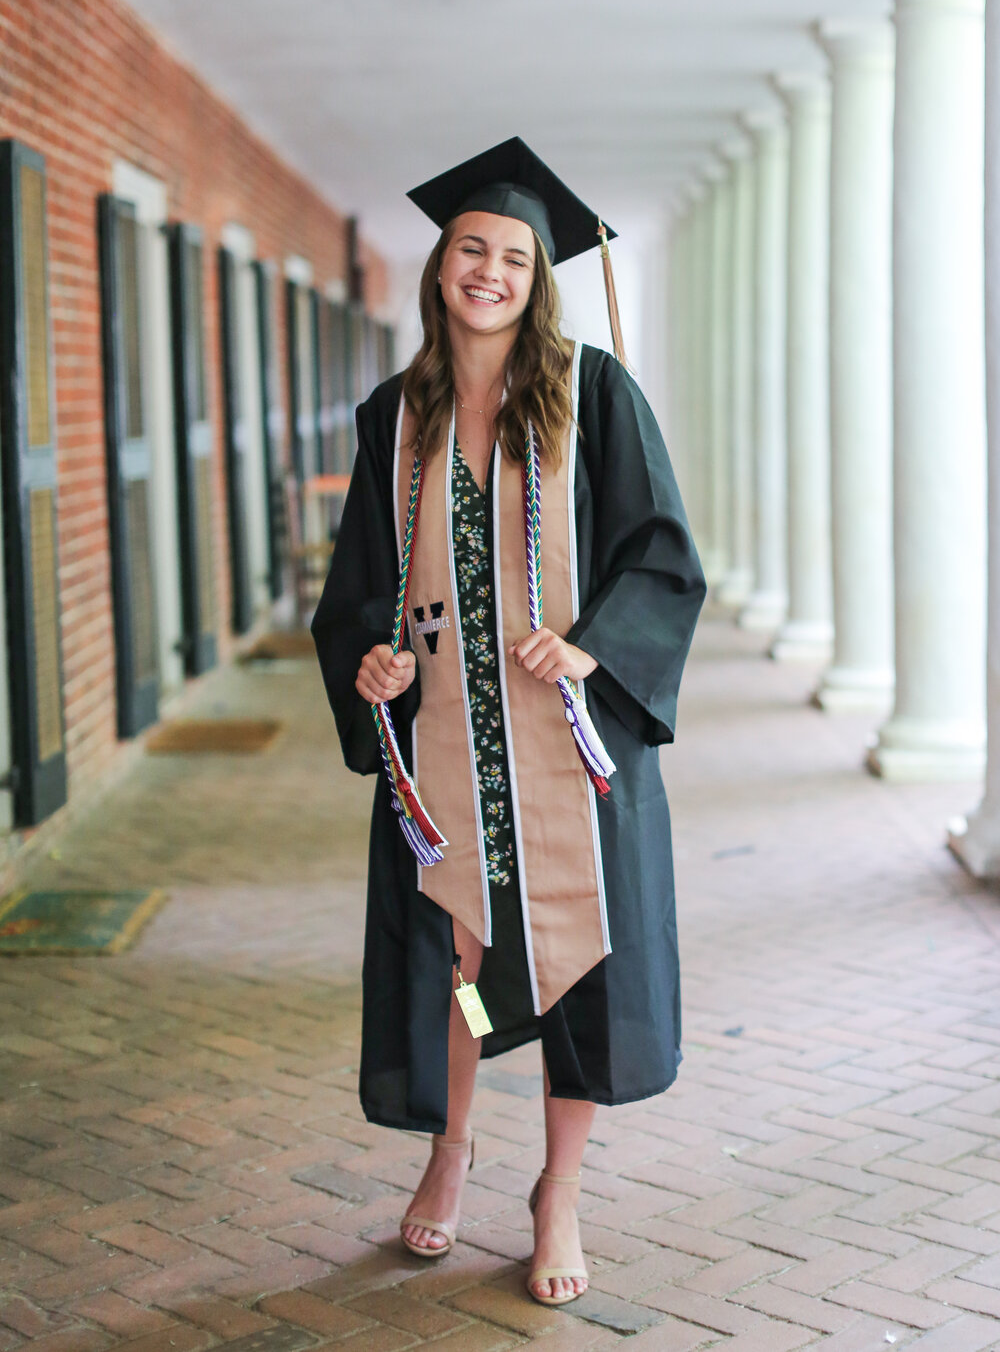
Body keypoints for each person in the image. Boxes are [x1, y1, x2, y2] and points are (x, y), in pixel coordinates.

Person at [312, 137, 705, 1307]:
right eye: (472, 249)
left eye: (515, 259)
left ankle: (560, 1190)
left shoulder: (594, 395)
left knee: (577, 968)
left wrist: (591, 645)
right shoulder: (393, 417)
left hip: (568, 751)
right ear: (441, 267)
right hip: (448, 750)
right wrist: (371, 663)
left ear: (539, 283)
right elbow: (360, 588)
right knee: (461, 969)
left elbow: (662, 554)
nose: (489, 271)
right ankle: (452, 1152)